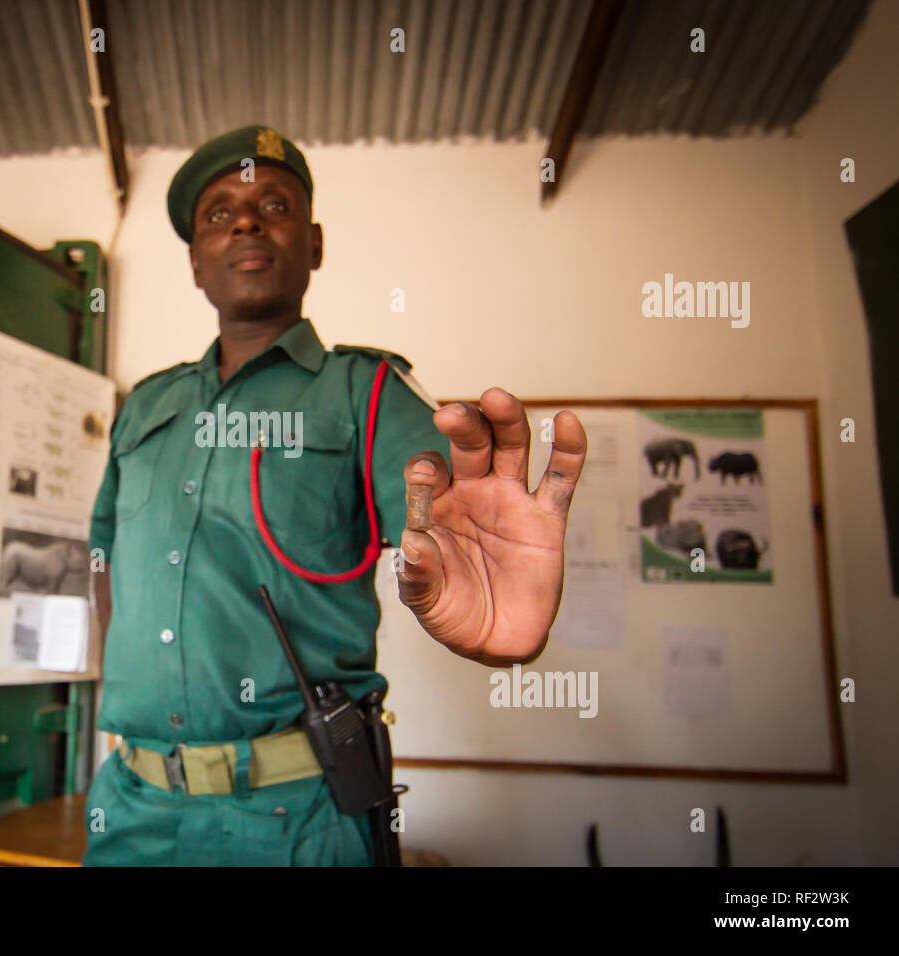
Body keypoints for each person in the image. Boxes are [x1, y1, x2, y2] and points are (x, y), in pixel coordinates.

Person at [82, 126, 587, 866]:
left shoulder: (368, 392)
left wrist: (480, 581)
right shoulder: (145, 408)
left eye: (273, 204)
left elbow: (446, 526)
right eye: (220, 213)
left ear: (314, 244)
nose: (247, 221)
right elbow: (104, 561)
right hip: (131, 811)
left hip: (300, 821)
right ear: (195, 262)